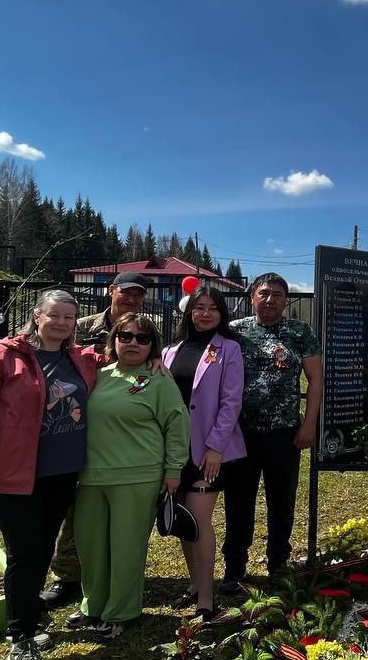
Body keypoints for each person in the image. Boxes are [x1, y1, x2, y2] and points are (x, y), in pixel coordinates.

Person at [0, 289, 98, 660]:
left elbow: (123, 359)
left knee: (43, 546)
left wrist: (154, 360)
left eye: (70, 318)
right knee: (25, 551)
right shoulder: (3, 355)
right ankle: (20, 638)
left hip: (62, 473)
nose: (62, 323)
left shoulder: (79, 358)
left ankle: (31, 617)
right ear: (36, 317)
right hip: (15, 475)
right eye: (54, 315)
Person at [67, 313, 188, 639]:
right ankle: (93, 605)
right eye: (126, 336)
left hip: (138, 476)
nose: (133, 342)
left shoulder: (159, 380)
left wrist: (174, 469)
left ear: (153, 346)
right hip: (91, 476)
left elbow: (177, 426)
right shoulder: (96, 376)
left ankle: (121, 611)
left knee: (126, 548)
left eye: (143, 338)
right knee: (91, 547)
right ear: (114, 340)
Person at [41, 270, 152, 610]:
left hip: (120, 428)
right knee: (74, 505)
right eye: (126, 292)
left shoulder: (145, 329)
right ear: (111, 291)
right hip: (74, 422)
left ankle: (114, 571)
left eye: (138, 295)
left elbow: (155, 363)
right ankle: (67, 576)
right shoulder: (82, 328)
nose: (131, 299)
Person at [222, 273, 323, 590]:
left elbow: (316, 379)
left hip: (285, 434)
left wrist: (309, 424)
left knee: (282, 501)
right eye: (264, 293)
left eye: (278, 294)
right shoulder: (235, 332)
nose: (270, 300)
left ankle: (278, 564)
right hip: (242, 433)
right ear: (252, 296)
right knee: (239, 501)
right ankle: (235, 568)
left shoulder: (300, 332)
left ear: (286, 300)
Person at [162, 287, 246, 618]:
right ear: (189, 312)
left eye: (213, 308)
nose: (206, 313)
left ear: (222, 314)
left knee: (199, 520)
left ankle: (207, 599)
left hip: (209, 450)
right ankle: (194, 584)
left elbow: (231, 401)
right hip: (175, 449)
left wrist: (215, 447)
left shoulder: (229, 349)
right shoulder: (169, 351)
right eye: (199, 307)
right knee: (184, 522)